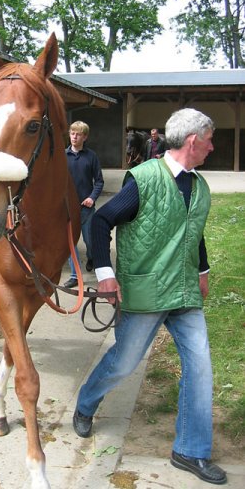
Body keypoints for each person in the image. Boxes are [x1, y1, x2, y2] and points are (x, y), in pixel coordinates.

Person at [72, 108, 227, 485]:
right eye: (208, 139)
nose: (212, 147)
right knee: (124, 364)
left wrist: (202, 272)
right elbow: (101, 222)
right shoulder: (143, 180)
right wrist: (105, 275)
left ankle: (189, 450)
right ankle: (86, 403)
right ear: (193, 141)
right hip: (146, 291)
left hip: (185, 292)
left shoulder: (199, 186)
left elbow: (194, 230)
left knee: (201, 368)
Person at [63, 121, 104, 289]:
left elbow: (99, 181)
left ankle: (91, 257)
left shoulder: (91, 156)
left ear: (85, 137)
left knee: (89, 241)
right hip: (67, 209)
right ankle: (75, 276)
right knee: (70, 243)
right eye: (72, 133)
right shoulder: (62, 155)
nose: (74, 136)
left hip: (86, 208)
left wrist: (92, 198)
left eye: (78, 134)